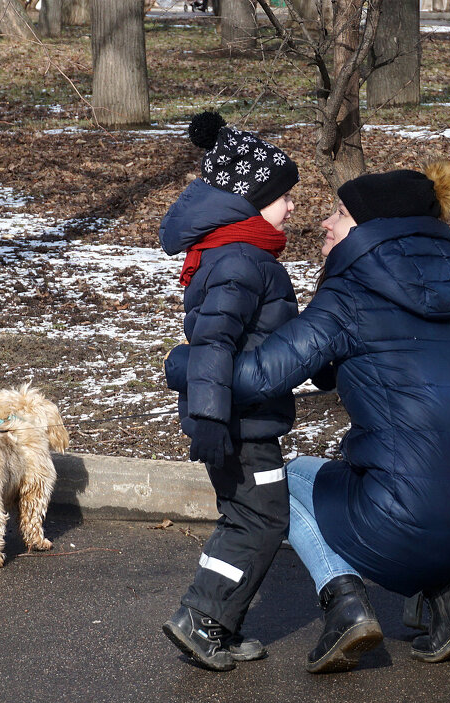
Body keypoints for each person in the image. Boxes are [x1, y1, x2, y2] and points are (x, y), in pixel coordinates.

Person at [168, 162, 450, 673]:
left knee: (293, 477)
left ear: (371, 228)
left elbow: (259, 376)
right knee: (398, 485)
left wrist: (185, 363)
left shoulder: (348, 298)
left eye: (340, 213)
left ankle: (344, 602)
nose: (325, 222)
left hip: (401, 521)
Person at [157, 110, 301, 672]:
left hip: (241, 417)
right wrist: (212, 421)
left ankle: (217, 623)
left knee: (245, 518)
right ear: (250, 199)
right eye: (283, 196)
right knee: (261, 520)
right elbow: (214, 341)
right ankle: (202, 619)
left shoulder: (235, 252)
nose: (291, 207)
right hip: (242, 425)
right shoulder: (242, 259)